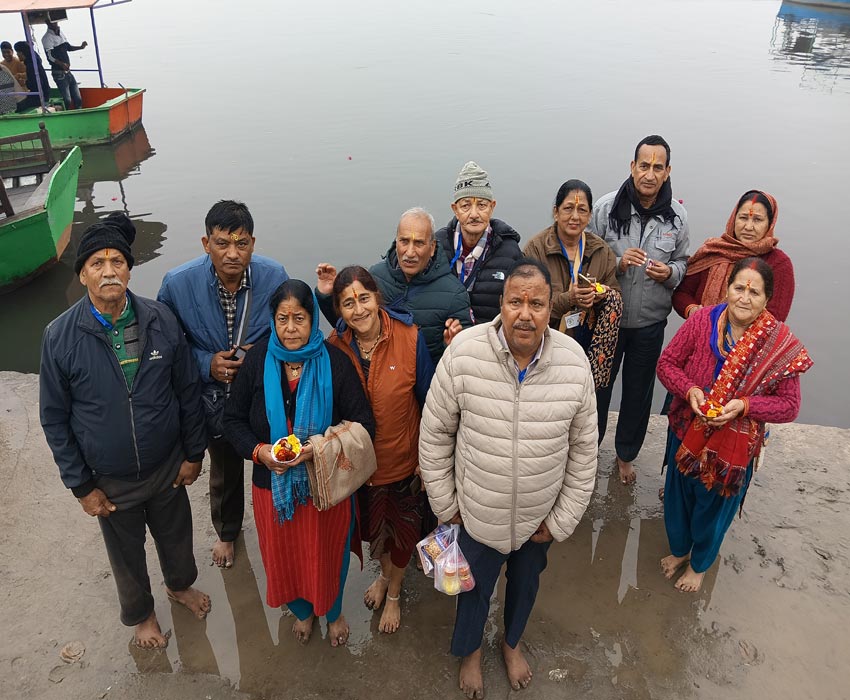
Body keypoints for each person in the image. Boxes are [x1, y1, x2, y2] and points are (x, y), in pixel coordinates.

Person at [419, 258, 598, 699]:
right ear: (501, 303)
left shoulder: (574, 362)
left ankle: (510, 642)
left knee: (525, 585)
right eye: (515, 301)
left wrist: (560, 521)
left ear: (549, 308)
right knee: (472, 589)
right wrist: (447, 506)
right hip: (476, 513)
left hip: (538, 519)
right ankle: (471, 653)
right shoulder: (464, 353)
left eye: (536, 303)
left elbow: (584, 453)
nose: (525, 313)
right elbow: (435, 433)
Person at [39, 214, 211, 649]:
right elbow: (55, 418)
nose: (109, 270)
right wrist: (81, 486)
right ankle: (142, 614)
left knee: (177, 535)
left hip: (166, 465)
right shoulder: (60, 337)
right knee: (126, 552)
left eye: (118, 261)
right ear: (82, 275)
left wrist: (194, 454)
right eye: (97, 263)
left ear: (130, 270)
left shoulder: (160, 318)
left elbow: (188, 390)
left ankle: (179, 585)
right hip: (109, 478)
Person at [223, 280, 375, 646]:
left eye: (300, 318)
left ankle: (333, 611)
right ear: (273, 321)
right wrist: (260, 452)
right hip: (272, 487)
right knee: (284, 556)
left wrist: (317, 448)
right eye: (282, 319)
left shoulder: (335, 363)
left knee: (328, 553)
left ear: (313, 322)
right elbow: (232, 420)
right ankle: (305, 612)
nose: (291, 328)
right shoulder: (259, 358)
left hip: (325, 486)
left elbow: (364, 424)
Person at [657, 257, 812, 593]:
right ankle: (680, 551)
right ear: (727, 289)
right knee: (678, 497)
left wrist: (745, 406)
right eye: (739, 287)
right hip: (687, 429)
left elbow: (789, 406)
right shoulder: (702, 322)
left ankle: (699, 565)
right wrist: (691, 390)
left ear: (767, 299)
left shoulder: (778, 342)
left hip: (733, 449)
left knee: (713, 511)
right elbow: (667, 364)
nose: (745, 297)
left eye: (754, 292)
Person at [158, 200, 289, 569]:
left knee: (275, 461)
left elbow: (293, 327)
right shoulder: (177, 284)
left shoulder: (274, 276)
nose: (233, 253)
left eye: (241, 243)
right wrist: (206, 363)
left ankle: (278, 526)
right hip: (213, 398)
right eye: (222, 243)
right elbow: (167, 343)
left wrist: (257, 353)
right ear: (205, 243)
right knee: (226, 470)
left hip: (262, 393)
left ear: (252, 242)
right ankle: (228, 532)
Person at [326, 266, 434, 634]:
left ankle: (393, 592)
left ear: (377, 298)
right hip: (359, 469)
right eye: (347, 303)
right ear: (338, 310)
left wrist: (427, 458)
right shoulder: (334, 346)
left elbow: (431, 403)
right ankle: (384, 576)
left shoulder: (410, 338)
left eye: (364, 298)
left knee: (402, 536)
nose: (358, 310)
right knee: (375, 533)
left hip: (403, 462)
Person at [590, 134, 690, 485]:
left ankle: (625, 454)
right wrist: (616, 264)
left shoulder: (677, 217)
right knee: (598, 388)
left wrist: (670, 273)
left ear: (667, 171)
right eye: (643, 165)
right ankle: (589, 450)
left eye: (657, 167)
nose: (649, 173)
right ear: (632, 167)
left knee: (638, 392)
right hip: (607, 320)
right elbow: (585, 260)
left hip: (650, 323)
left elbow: (682, 263)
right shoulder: (605, 209)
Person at [316, 207, 472, 364]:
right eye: (404, 241)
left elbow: (465, 356)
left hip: (423, 381)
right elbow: (352, 324)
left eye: (418, 243)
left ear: (432, 248)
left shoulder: (454, 294)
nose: (410, 252)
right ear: (396, 241)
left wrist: (451, 347)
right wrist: (327, 296)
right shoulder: (375, 276)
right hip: (374, 375)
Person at [523, 179, 623, 412]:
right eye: (568, 208)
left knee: (583, 406)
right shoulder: (536, 249)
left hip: (586, 342)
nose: (575, 217)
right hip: (545, 341)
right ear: (555, 212)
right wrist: (570, 299)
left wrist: (601, 297)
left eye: (582, 210)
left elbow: (615, 294)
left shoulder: (601, 251)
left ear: (589, 217)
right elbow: (526, 301)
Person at [673, 190, 795, 322]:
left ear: (769, 224)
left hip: (750, 340)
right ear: (733, 218)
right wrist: (693, 310)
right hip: (700, 335)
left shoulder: (778, 263)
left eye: (757, 220)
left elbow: (775, 317)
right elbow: (681, 293)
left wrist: (730, 331)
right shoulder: (713, 251)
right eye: (743, 217)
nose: (748, 227)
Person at [435, 161, 523, 323]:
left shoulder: (510, 251)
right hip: (444, 341)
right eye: (466, 206)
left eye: (482, 205)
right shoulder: (437, 246)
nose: (474, 214)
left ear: (492, 206)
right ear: (455, 209)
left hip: (492, 342)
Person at [41, 15, 87, 110]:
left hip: (67, 72)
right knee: (67, 100)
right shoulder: (47, 38)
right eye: (53, 22)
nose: (56, 24)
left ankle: (79, 114)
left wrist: (80, 47)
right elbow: (50, 57)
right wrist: (62, 64)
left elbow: (68, 47)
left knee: (78, 98)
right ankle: (64, 115)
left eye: (56, 22)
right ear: (47, 23)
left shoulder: (60, 33)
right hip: (59, 73)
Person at [13, 41, 48, 112]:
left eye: (17, 52)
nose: (17, 54)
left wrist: (26, 83)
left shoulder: (31, 66)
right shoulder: (34, 60)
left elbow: (34, 84)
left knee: (17, 106)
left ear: (22, 53)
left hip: (39, 97)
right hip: (45, 92)